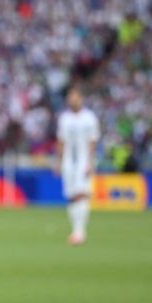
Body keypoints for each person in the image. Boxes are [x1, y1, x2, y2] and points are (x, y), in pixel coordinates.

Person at [56, 86, 100, 245]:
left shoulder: (89, 118)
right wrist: (58, 162)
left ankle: (80, 231)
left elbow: (92, 142)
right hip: (68, 161)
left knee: (82, 193)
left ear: (80, 98)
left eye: (75, 96)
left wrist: (90, 162)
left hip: (83, 161)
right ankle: (75, 229)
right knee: (70, 195)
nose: (72, 99)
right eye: (70, 96)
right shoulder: (64, 118)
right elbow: (61, 141)